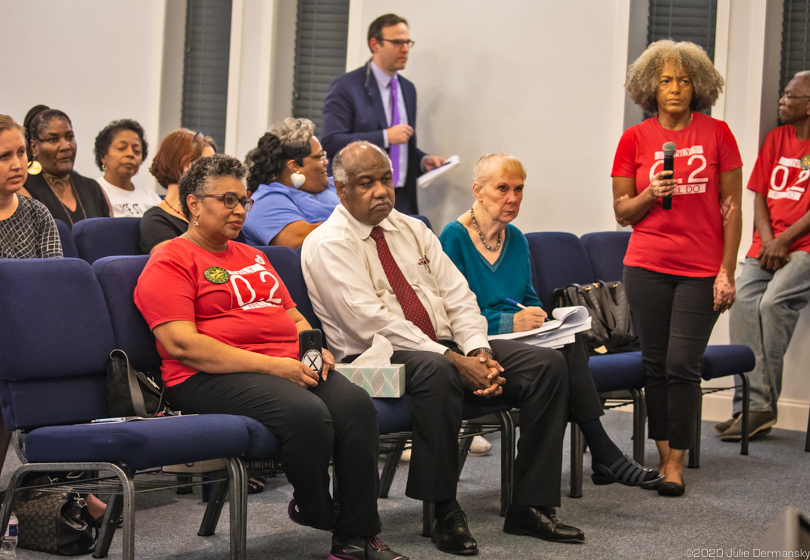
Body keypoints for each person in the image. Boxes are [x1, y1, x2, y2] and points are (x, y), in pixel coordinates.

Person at [302, 141, 585, 556]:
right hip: (372, 358)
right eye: (367, 183)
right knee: (438, 371)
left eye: (385, 179)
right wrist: (452, 358)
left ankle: (529, 504)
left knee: (547, 365)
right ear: (341, 190)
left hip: (441, 347)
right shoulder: (329, 242)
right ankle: (443, 509)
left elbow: (459, 296)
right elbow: (370, 322)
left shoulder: (412, 229)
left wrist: (477, 351)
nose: (381, 191)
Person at [134, 153, 407, 560]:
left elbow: (294, 316)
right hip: (204, 376)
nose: (239, 210)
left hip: (285, 366)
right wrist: (275, 366)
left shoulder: (253, 257)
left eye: (244, 200)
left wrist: (316, 351)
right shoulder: (171, 260)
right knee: (306, 413)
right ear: (193, 203)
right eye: (227, 200)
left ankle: (356, 540)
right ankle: (317, 509)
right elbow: (182, 345)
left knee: (356, 407)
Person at [440, 152, 661, 487]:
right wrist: (506, 323)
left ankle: (596, 458)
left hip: (518, 343)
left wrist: (540, 315)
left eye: (519, 189)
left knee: (569, 341)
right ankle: (603, 453)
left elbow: (527, 297)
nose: (512, 198)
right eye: (502, 188)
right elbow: (448, 315)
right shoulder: (452, 239)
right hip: (475, 347)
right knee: (563, 358)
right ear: (478, 191)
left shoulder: (515, 238)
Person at [611, 40, 743, 497]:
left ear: (698, 86)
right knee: (654, 364)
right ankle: (664, 454)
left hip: (701, 269)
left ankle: (675, 463)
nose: (675, 88)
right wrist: (651, 191)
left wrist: (727, 271)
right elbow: (622, 212)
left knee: (682, 363)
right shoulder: (634, 139)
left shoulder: (718, 134)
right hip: (646, 265)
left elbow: (731, 208)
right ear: (650, 86)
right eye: (666, 80)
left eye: (684, 80)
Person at [718, 71, 810, 442]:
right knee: (741, 303)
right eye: (783, 95)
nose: (782, 102)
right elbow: (757, 194)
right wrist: (769, 239)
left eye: (791, 97)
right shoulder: (777, 138)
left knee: (773, 304)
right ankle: (749, 407)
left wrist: (784, 240)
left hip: (803, 247)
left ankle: (760, 406)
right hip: (767, 244)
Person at [321, 13, 445, 215]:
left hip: (402, 197)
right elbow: (331, 142)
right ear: (375, 45)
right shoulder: (346, 87)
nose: (405, 49)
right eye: (397, 42)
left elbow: (400, 148)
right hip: (362, 197)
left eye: (407, 42)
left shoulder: (407, 89)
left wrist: (422, 160)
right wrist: (385, 136)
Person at [243, 117, 339, 248]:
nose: (326, 161)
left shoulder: (336, 184)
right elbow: (306, 239)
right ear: (295, 166)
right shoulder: (266, 201)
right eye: (319, 157)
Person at [22, 105, 111, 229]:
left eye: (69, 137)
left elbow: (111, 236)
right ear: (34, 147)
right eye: (53, 139)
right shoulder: (23, 188)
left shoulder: (93, 187)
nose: (65, 146)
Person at [140, 129, 214, 254]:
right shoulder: (155, 220)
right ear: (185, 165)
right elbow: (173, 262)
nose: (216, 173)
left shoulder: (211, 211)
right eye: (208, 165)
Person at [0, 114, 62, 258]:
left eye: (21, 152)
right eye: (4, 156)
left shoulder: (38, 213)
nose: (17, 165)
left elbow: (53, 276)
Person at [94, 119, 161, 217]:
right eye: (121, 148)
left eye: (136, 150)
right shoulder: (93, 192)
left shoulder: (151, 197)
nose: (130, 154)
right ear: (103, 155)